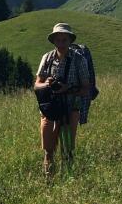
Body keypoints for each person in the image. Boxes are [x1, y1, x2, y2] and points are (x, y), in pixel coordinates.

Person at [34, 23, 92, 177]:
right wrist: (47, 84)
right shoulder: (46, 58)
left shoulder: (79, 60)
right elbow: (36, 85)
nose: (61, 43)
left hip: (70, 110)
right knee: (48, 150)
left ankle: (68, 178)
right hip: (50, 111)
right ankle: (49, 180)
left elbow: (87, 88)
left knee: (67, 150)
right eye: (58, 40)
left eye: (64, 40)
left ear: (70, 41)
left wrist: (68, 89)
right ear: (53, 41)